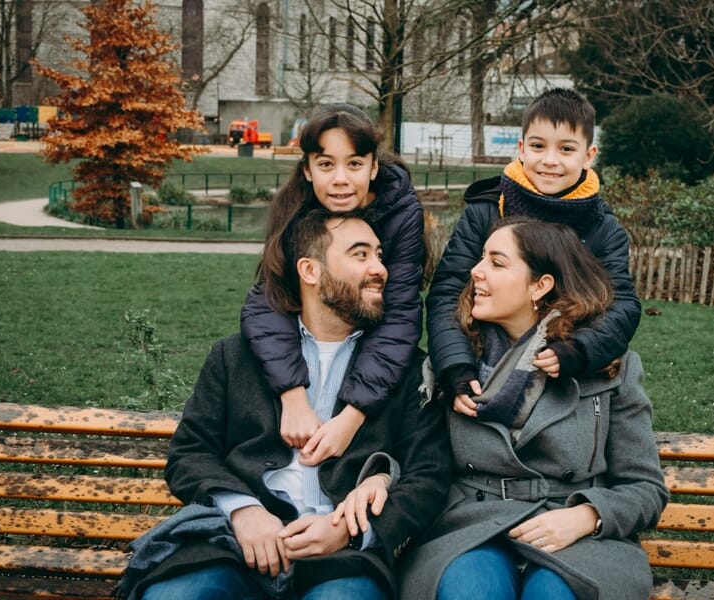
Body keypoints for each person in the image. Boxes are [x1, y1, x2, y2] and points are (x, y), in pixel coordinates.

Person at [117, 209, 450, 600]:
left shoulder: (405, 369)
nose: (380, 269)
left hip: (342, 559)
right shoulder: (235, 357)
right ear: (310, 271)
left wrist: (351, 530)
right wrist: (244, 511)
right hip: (233, 545)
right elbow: (190, 453)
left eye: (379, 255)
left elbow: (428, 476)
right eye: (361, 255)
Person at [399, 218, 668, 600]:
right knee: (473, 592)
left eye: (497, 262)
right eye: (480, 258)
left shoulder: (606, 366)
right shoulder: (453, 364)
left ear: (540, 286)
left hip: (573, 528)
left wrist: (587, 516)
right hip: (470, 526)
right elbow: (418, 462)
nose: (475, 271)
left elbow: (646, 488)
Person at [427, 88, 640, 410]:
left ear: (588, 155)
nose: (550, 160)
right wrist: (455, 363)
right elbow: (447, 292)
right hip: (485, 360)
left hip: (565, 369)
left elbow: (622, 305)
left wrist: (581, 348)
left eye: (566, 149)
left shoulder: (602, 228)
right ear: (522, 149)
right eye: (539, 146)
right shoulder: (486, 211)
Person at [241, 103, 426, 467]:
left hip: (367, 340)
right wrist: (292, 397)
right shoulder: (294, 207)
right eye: (326, 164)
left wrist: (352, 416)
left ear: (374, 166)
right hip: (314, 337)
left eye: (354, 164)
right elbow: (268, 299)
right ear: (308, 169)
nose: (340, 179)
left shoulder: (402, 213)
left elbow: (400, 314)